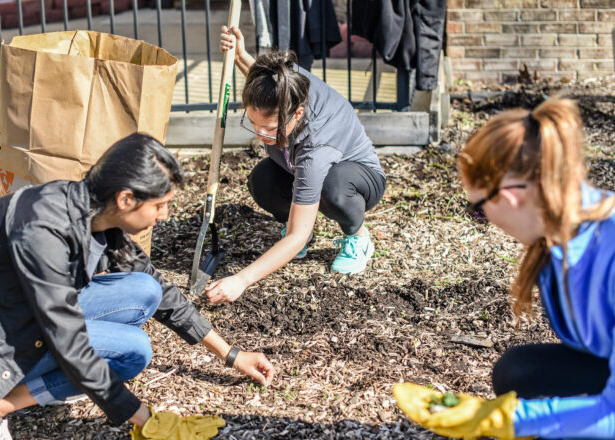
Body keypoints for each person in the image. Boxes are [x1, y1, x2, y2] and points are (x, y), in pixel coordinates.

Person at [0, 133, 275, 440]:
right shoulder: (44, 231)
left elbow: (160, 289)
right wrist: (146, 419)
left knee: (145, 290)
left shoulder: (89, 211)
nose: (165, 216)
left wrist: (231, 354)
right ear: (126, 199)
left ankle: (34, 388)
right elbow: (70, 343)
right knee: (132, 351)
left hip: (15, 312)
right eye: (160, 205)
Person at [392, 97, 615, 439]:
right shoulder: (556, 241)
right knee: (521, 373)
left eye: (478, 209)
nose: (486, 222)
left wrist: (507, 420)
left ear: (510, 196)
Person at [206, 26, 386, 304]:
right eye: (253, 124)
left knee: (330, 190)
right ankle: (301, 217)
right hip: (298, 167)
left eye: (267, 128)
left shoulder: (316, 146)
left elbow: (296, 236)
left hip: (356, 178)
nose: (260, 134)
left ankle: (358, 236)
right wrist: (240, 55)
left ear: (297, 114)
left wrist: (241, 279)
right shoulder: (285, 83)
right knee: (262, 181)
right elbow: (265, 88)